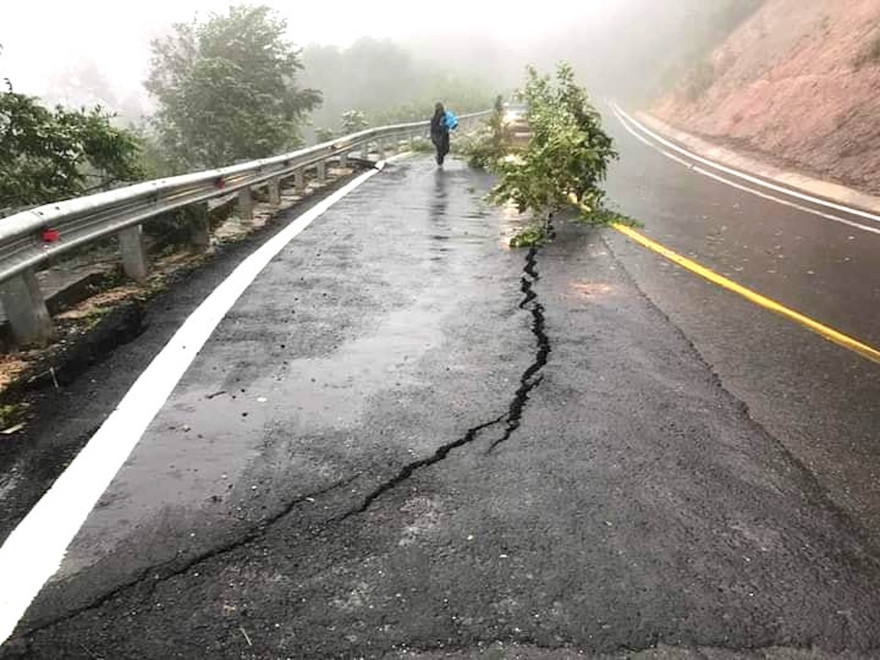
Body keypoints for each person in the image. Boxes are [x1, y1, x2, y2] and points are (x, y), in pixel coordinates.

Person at [430, 102, 450, 166]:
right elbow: (433, 128)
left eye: (441, 109)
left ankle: (438, 157)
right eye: (439, 109)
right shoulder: (434, 118)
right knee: (440, 149)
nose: (440, 110)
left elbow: (449, 123)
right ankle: (439, 161)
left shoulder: (445, 116)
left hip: (444, 135)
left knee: (446, 149)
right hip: (437, 136)